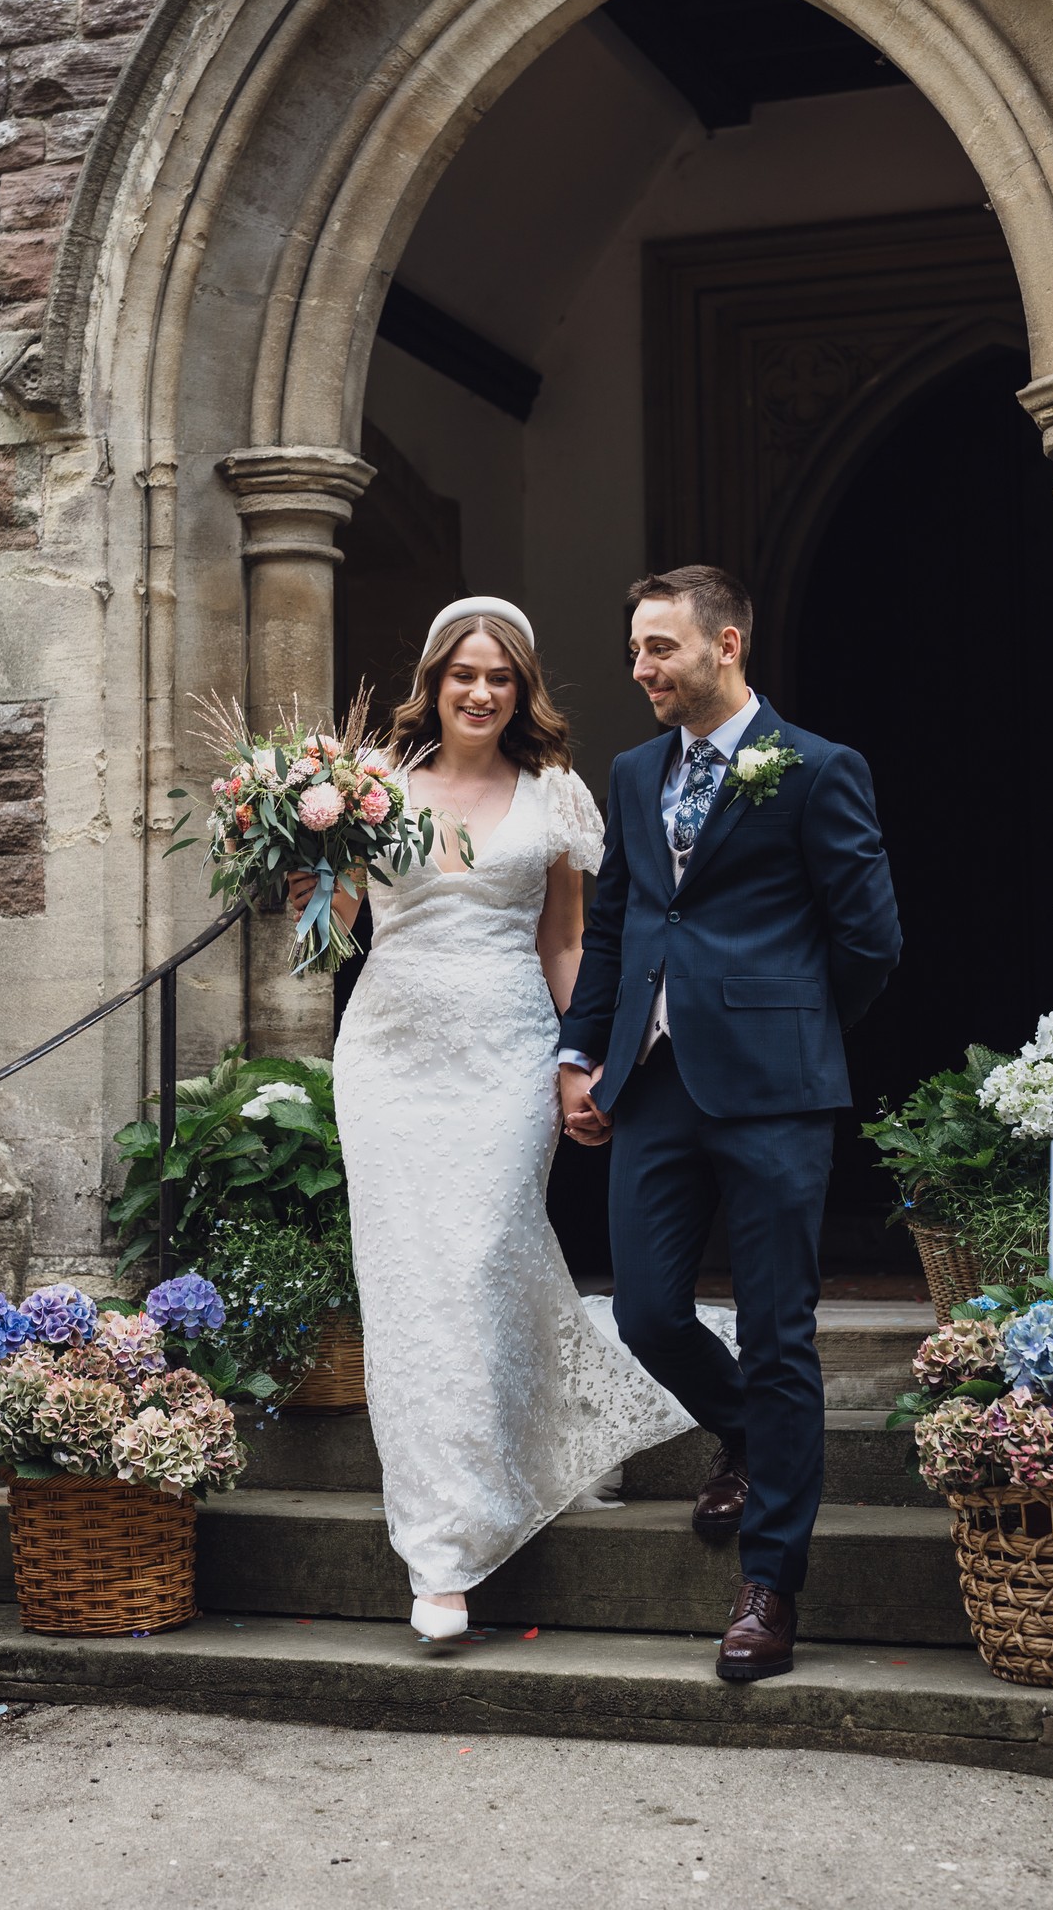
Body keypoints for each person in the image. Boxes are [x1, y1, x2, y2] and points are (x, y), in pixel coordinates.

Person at [301, 597, 735, 1643]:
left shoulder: (557, 796)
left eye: (499, 676)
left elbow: (564, 946)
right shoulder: (374, 791)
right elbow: (338, 927)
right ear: (434, 682)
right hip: (390, 1056)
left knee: (488, 1253)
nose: (481, 692)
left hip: (504, 1052)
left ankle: (530, 1456)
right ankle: (442, 1552)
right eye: (463, 675)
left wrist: (583, 1059)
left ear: (521, 688)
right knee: (412, 1281)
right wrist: (297, 841)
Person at [559, 567, 901, 1683]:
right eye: (636, 652)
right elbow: (613, 926)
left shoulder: (816, 769)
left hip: (775, 1091)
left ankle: (771, 1583)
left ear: (727, 646)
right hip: (650, 1086)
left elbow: (870, 940)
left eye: (660, 648)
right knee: (649, 1311)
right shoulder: (631, 770)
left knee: (781, 1328)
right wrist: (586, 1055)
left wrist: (787, 1024)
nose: (642, 670)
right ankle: (750, 1436)